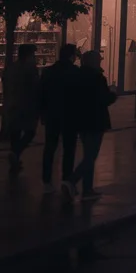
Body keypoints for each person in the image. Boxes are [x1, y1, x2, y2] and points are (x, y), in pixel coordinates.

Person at [67, 51, 116, 200]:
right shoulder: (98, 78)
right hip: (95, 119)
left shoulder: (77, 76)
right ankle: (73, 181)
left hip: (81, 119)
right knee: (91, 155)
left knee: (88, 153)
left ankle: (87, 189)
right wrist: (113, 94)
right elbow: (104, 99)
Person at [38, 44, 81, 192]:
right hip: (70, 115)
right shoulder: (75, 72)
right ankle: (66, 179)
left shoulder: (49, 71)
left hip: (52, 114)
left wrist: (42, 113)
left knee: (50, 147)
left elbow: (42, 93)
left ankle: (46, 180)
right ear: (72, 56)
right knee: (69, 148)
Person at [4, 44, 41, 173]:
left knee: (15, 133)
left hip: (12, 105)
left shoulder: (12, 67)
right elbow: (35, 88)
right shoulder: (30, 69)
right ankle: (16, 153)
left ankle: (15, 159)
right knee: (30, 132)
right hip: (26, 106)